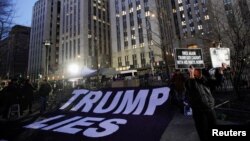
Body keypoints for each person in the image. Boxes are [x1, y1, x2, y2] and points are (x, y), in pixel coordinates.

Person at [185, 63, 227, 141]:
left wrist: (220, 71)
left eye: (198, 70)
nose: (196, 71)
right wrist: (191, 75)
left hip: (210, 109)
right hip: (199, 112)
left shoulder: (205, 79)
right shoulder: (189, 81)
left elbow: (217, 83)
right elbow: (193, 89)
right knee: (203, 134)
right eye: (195, 70)